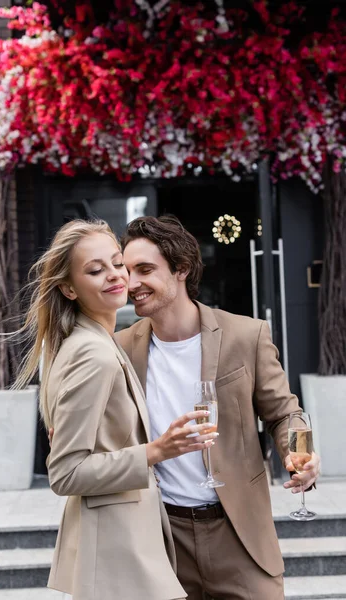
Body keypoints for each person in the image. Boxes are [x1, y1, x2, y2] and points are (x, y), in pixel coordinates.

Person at [114, 214, 321, 600]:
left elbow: (282, 413)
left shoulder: (247, 334)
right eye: (126, 271)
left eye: (144, 269)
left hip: (239, 534)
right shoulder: (119, 348)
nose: (132, 283)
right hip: (162, 537)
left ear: (181, 269)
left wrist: (298, 454)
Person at [15, 218, 218, 600]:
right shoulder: (95, 355)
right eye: (95, 270)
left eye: (116, 263)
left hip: (121, 546)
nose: (114, 276)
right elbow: (65, 473)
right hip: (116, 553)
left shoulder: (96, 343)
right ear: (69, 289)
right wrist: (156, 450)